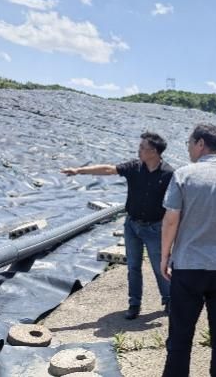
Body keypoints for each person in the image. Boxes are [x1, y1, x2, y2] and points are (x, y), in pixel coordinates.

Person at [160, 123, 216, 377]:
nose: (189, 148)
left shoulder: (183, 175)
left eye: (190, 143)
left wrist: (165, 256)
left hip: (188, 266)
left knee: (180, 337)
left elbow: (171, 220)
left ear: (201, 143)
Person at [61, 132, 173, 320]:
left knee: (159, 267)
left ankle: (169, 300)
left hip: (154, 228)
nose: (139, 150)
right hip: (132, 226)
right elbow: (108, 169)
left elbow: (176, 205)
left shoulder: (169, 174)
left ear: (154, 151)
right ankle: (134, 304)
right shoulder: (134, 167)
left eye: (142, 147)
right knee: (133, 266)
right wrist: (79, 171)